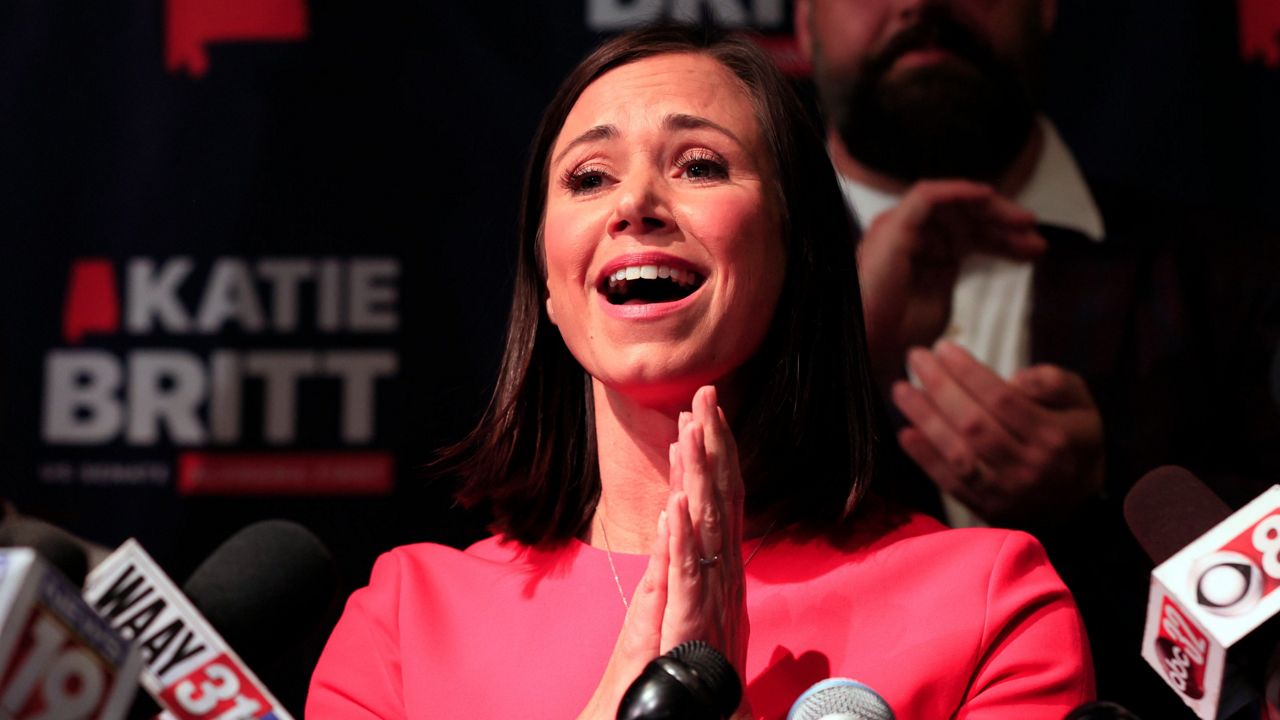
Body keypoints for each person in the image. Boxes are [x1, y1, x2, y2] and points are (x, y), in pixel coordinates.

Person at [307, 25, 1093, 719]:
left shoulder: (990, 603)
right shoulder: (407, 622)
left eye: (700, 166)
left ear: (798, 253)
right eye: (589, 178)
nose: (636, 204)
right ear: (547, 283)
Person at [794, 0, 1280, 714]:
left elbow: (1259, 662)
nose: (921, 4)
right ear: (804, 21)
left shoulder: (1234, 274)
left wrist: (1102, 497)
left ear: (1047, 7)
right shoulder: (734, 295)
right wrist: (835, 353)